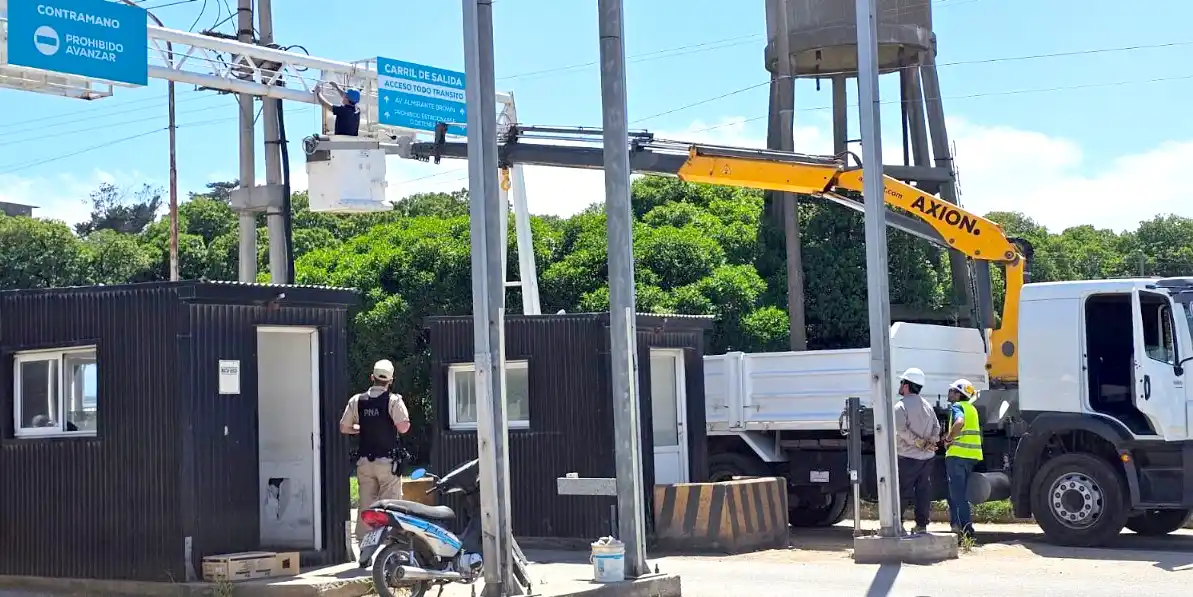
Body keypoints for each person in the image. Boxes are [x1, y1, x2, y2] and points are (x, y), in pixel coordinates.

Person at [340, 359, 411, 543]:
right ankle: (390, 544)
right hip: (387, 463)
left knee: (366, 504)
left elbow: (344, 427)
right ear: (390, 380)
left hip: (365, 463)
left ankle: (365, 545)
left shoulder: (357, 400)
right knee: (390, 504)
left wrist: (361, 428)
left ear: (372, 377)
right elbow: (403, 427)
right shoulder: (393, 400)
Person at [893, 367, 940, 534]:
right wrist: (931, 442)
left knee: (903, 491)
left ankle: (896, 524)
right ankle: (921, 525)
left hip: (907, 456)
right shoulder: (927, 405)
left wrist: (918, 442)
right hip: (927, 458)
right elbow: (937, 426)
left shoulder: (900, 406)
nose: (900, 386)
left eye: (901, 382)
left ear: (906, 385)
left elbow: (901, 430)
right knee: (923, 491)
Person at [942, 378, 983, 539]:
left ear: (959, 395)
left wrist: (948, 439)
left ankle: (966, 532)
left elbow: (959, 423)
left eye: (952, 391)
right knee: (961, 495)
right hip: (971, 456)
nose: (950, 393)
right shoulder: (972, 409)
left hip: (957, 456)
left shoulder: (957, 407)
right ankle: (959, 527)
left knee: (957, 496)